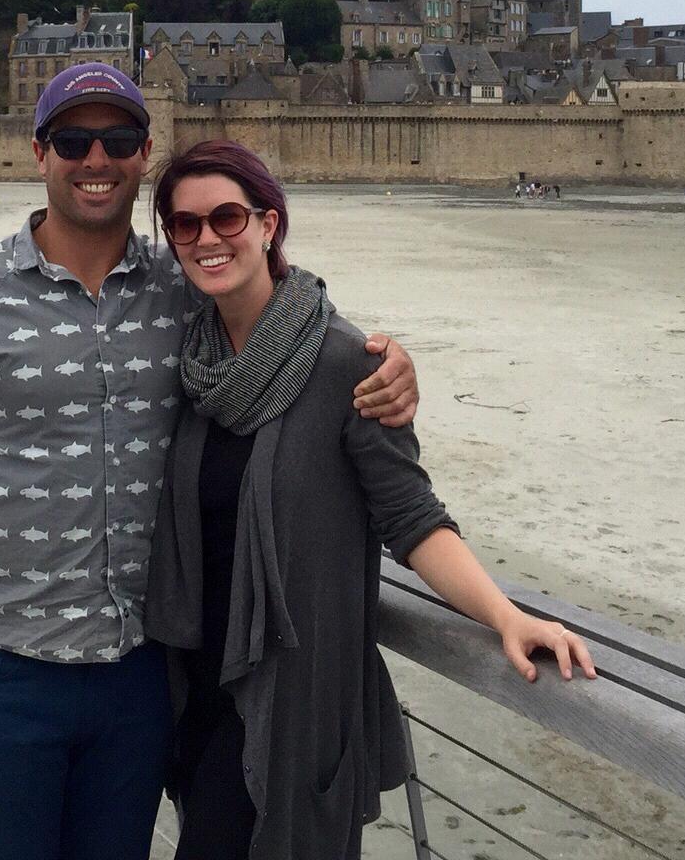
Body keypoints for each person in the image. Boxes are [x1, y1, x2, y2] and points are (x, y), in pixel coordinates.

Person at [0, 64, 419, 860]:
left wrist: (386, 359)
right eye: (74, 139)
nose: (96, 158)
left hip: (140, 675)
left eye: (119, 139)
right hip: (1, 674)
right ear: (39, 152)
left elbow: (282, 310)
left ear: (143, 152)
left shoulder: (183, 290)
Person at [138, 140, 593, 859]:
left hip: (290, 702)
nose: (206, 239)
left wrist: (508, 615)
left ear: (268, 224)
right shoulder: (188, 362)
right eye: (184, 225)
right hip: (189, 690)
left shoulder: (351, 365)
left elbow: (411, 519)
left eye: (226, 217)